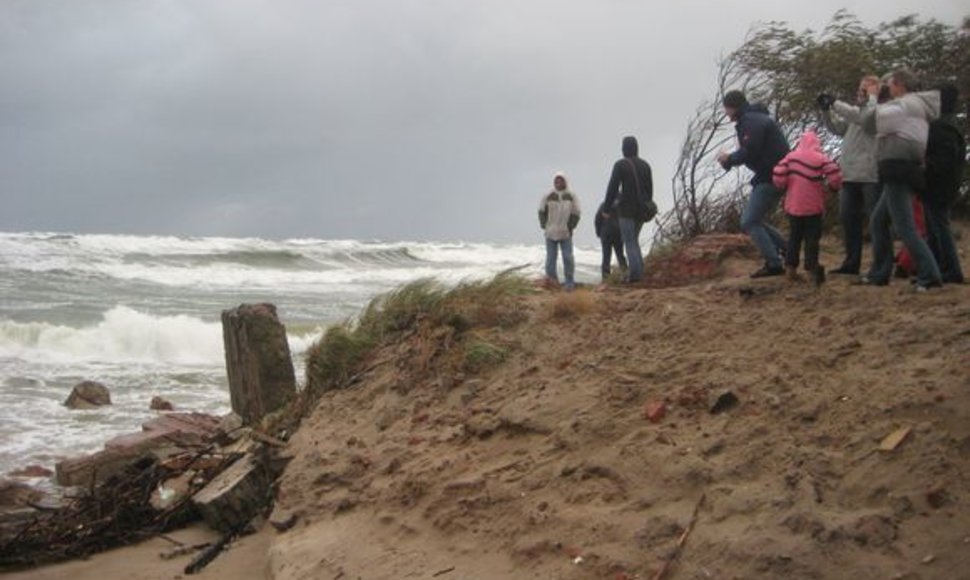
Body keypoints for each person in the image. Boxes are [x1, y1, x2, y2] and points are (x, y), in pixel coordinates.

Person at [859, 69, 943, 291]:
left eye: (889, 84)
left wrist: (873, 97)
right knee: (878, 221)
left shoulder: (905, 106)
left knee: (905, 227)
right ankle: (880, 272)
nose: (888, 88)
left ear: (900, 84)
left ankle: (930, 275)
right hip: (901, 168)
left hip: (899, 168)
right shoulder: (911, 105)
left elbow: (868, 121)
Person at [717, 90, 791, 278]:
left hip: (771, 176)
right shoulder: (755, 118)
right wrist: (730, 161)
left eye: (726, 109)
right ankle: (788, 250)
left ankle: (774, 263)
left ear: (731, 107)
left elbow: (750, 150)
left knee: (749, 221)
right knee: (755, 219)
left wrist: (729, 158)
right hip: (776, 174)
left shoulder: (750, 121)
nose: (726, 113)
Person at [818, 76, 881, 275]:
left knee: (876, 222)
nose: (859, 94)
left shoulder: (875, 113)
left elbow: (866, 117)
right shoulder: (857, 115)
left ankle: (880, 265)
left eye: (864, 91)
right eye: (859, 90)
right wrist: (825, 110)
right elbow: (836, 128)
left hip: (870, 175)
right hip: (850, 175)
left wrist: (835, 102)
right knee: (848, 220)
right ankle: (851, 263)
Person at [772, 130, 843, 285]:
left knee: (794, 238)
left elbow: (777, 173)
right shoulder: (821, 158)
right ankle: (811, 269)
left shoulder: (791, 157)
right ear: (816, 143)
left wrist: (782, 185)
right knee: (812, 239)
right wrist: (834, 187)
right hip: (813, 206)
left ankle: (790, 268)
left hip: (793, 205)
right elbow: (835, 175)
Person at [923, 83, 966, 284]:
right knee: (935, 227)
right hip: (946, 185)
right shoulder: (949, 124)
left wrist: (924, 166)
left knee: (939, 227)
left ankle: (951, 270)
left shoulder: (940, 126)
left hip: (939, 186)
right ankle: (941, 268)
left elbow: (943, 161)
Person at [603, 136, 653, 283]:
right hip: (642, 209)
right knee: (634, 240)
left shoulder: (620, 165)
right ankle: (639, 270)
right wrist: (645, 204)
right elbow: (650, 190)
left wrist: (607, 208)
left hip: (626, 210)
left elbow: (612, 188)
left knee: (629, 241)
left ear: (624, 148)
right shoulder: (646, 165)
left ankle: (635, 274)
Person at [538, 172, 581, 290]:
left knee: (568, 257)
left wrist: (570, 227)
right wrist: (544, 225)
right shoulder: (548, 195)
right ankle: (552, 282)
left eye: (560, 180)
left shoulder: (571, 195)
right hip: (550, 232)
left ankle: (569, 282)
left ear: (565, 181)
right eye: (556, 181)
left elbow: (576, 212)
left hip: (565, 233)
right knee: (551, 258)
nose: (558, 183)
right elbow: (541, 211)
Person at [594, 201, 627, 281]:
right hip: (618, 233)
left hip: (606, 233)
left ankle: (605, 278)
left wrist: (599, 232)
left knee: (606, 256)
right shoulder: (622, 204)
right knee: (620, 254)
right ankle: (625, 274)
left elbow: (597, 220)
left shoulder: (605, 204)